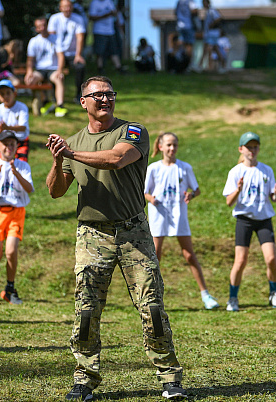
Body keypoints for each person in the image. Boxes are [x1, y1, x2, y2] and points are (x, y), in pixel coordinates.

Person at [45, 76, 186, 400]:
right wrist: (58, 159)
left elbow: (116, 159)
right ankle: (84, 378)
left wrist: (71, 152)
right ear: (83, 102)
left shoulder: (132, 131)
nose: (106, 99)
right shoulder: (75, 143)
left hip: (133, 231)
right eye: (98, 95)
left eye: (110, 94)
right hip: (92, 234)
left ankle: (169, 378)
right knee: (86, 310)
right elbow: (55, 191)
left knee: (151, 307)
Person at [145, 132, 220, 310]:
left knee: (189, 255)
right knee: (156, 256)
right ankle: (151, 297)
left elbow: (196, 190)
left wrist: (191, 194)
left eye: (175, 145)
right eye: (168, 145)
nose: (172, 148)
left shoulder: (184, 168)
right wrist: (151, 199)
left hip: (178, 216)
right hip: (159, 216)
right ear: (161, 147)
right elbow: (145, 191)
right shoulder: (154, 168)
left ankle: (205, 295)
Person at [222, 132, 276, 312]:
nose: (252, 150)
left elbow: (272, 197)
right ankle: (233, 298)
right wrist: (238, 190)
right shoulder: (236, 172)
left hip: (264, 219)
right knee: (240, 261)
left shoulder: (266, 170)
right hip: (244, 220)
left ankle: (273, 294)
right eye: (248, 147)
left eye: (255, 147)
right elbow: (229, 202)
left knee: (271, 258)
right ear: (241, 149)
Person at [0, 130, 34, 305]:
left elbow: (30, 189)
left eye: (12, 144)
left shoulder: (23, 165)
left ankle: (10, 288)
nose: (9, 147)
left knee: (11, 250)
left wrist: (16, 172)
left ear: (17, 146)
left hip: (16, 212)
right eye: (5, 144)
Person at [48, 0, 87, 116]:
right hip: (58, 52)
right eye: (65, 7)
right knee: (54, 71)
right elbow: (51, 37)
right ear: (60, 8)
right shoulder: (54, 19)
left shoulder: (78, 19)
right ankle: (55, 97)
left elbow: (80, 37)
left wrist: (78, 54)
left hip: (73, 53)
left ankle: (78, 95)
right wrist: (55, 54)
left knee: (80, 67)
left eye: (69, 6)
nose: (67, 9)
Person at [25, 16, 62, 115]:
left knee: (59, 79)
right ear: (37, 29)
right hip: (40, 69)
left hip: (53, 69)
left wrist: (60, 70)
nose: (43, 28)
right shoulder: (34, 41)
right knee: (30, 81)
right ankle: (45, 101)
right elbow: (30, 59)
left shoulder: (56, 38)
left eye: (44, 25)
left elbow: (60, 56)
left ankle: (60, 106)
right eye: (40, 26)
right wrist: (29, 72)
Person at [0, 79, 30, 161]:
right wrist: (1, 129)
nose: (5, 96)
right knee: (2, 164)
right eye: (2, 94)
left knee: (21, 164)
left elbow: (23, 127)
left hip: (20, 141)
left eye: (8, 93)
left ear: (14, 93)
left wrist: (7, 128)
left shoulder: (22, 107)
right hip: (5, 142)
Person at [89, 0, 124, 74]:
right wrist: (105, 15)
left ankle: (118, 67)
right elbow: (91, 17)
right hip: (99, 31)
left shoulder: (109, 2)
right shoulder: (94, 3)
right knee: (100, 51)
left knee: (114, 50)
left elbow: (115, 13)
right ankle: (100, 68)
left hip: (110, 31)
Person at [199, 0, 222, 71]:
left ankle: (199, 66)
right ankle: (223, 66)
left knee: (206, 49)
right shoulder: (208, 11)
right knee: (213, 49)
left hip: (212, 33)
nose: (203, 5)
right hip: (210, 33)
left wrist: (211, 25)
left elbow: (218, 18)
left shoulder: (212, 10)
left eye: (204, 3)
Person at [175, 0, 197, 66]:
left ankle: (179, 61)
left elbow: (175, 12)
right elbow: (194, 10)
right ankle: (188, 65)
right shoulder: (190, 1)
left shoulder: (179, 2)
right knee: (189, 45)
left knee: (182, 44)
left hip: (180, 25)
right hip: (188, 25)